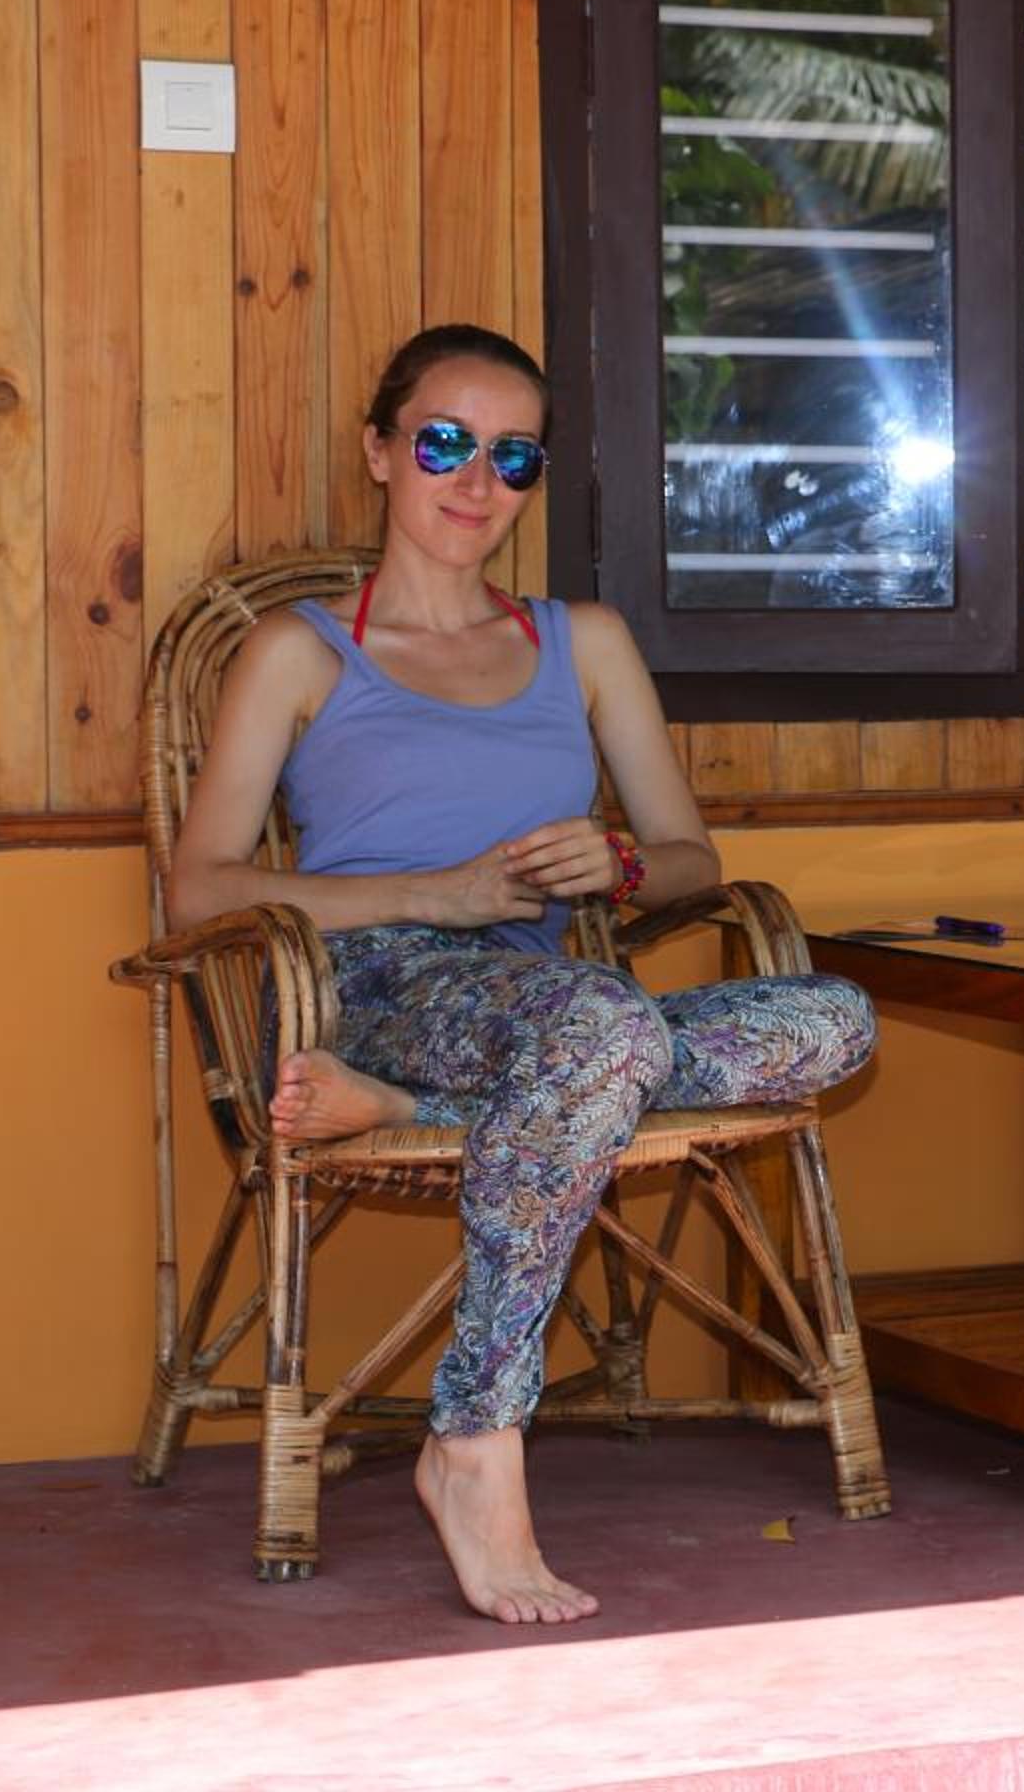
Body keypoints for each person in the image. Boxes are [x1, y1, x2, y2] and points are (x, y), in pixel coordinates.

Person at [168, 323, 877, 1622]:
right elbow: (200, 888)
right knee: (598, 1029)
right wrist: (432, 894)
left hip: (549, 1013)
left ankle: (421, 1113)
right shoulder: (300, 651)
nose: (475, 480)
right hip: (368, 982)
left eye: (512, 456)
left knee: (832, 1017)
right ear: (380, 451)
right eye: (443, 441)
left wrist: (616, 864)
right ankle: (477, 1435)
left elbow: (690, 859)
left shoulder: (581, 641)